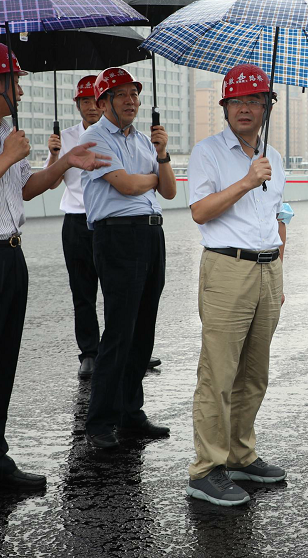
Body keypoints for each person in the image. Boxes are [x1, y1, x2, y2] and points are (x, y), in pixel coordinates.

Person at [0, 41, 109, 519]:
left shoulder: (6, 132)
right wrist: (7, 157)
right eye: (15, 80)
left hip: (9, 255)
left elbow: (26, 189)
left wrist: (65, 163)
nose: (22, 90)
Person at [185, 63, 289, 507]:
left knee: (254, 373)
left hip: (267, 268)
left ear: (267, 107)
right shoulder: (208, 152)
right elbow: (199, 211)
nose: (244, 108)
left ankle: (241, 454)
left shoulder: (274, 158)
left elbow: (279, 216)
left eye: (254, 101)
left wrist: (278, 268)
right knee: (219, 373)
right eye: (236, 101)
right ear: (224, 107)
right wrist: (247, 181)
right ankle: (206, 469)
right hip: (227, 267)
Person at [80, 67, 177, 451]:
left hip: (151, 233)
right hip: (118, 236)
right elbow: (126, 184)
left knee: (143, 328)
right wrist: (151, 177)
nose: (130, 100)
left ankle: (130, 411)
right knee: (120, 330)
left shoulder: (143, 140)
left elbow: (169, 191)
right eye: (120, 94)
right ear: (103, 102)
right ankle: (100, 421)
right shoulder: (94, 137)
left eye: (134, 94)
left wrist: (162, 155)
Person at [44, 75, 104, 379]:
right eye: (85, 101)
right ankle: (89, 353)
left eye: (95, 100)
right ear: (77, 104)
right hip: (77, 221)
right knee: (82, 292)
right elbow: (52, 183)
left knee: (119, 290)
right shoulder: (64, 137)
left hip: (108, 220)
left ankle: (125, 348)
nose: (91, 107)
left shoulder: (116, 134)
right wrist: (55, 155)